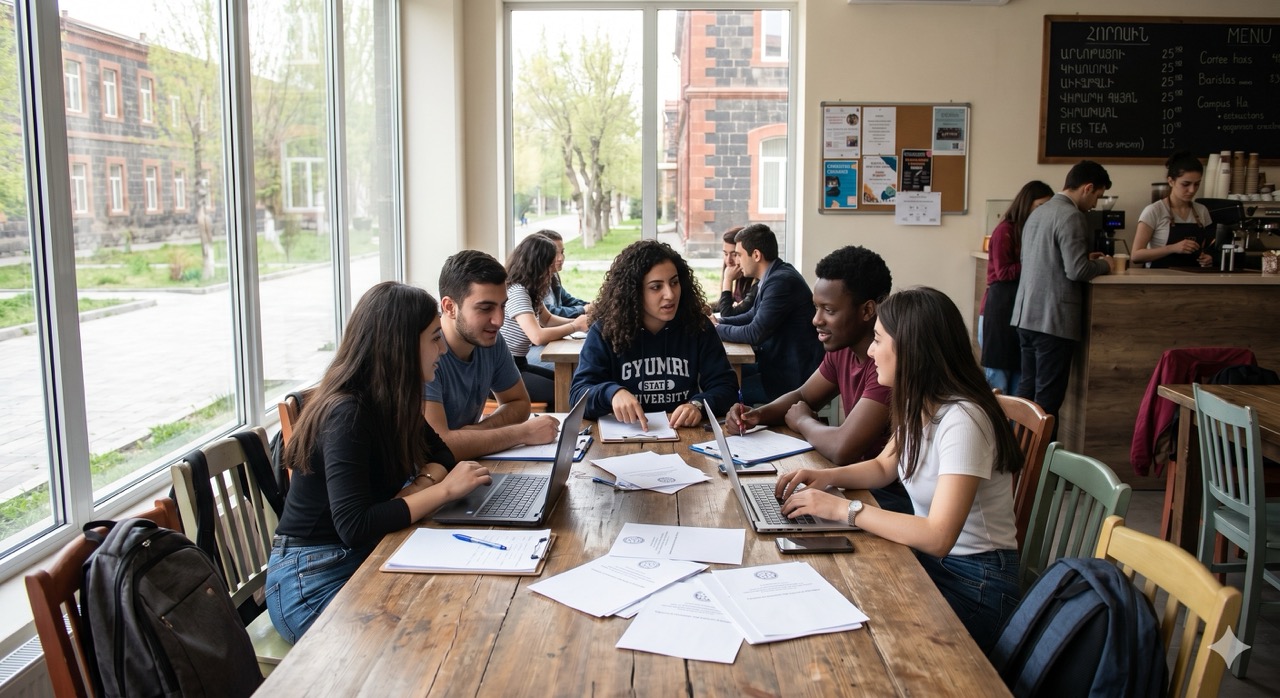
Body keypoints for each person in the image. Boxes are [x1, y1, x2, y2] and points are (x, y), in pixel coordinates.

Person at [777, 287, 1023, 653]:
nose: (871, 351)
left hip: (976, 581)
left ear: (912, 350)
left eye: (878, 340)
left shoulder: (964, 420)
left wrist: (844, 509)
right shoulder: (920, 402)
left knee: (861, 636)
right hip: (931, 560)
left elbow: (940, 535)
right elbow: (882, 466)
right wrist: (826, 478)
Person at [266, 282, 494, 643]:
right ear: (401, 346)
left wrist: (419, 487)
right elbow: (355, 525)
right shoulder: (348, 412)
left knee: (458, 617)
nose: (442, 350)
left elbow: (442, 454)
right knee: (419, 641)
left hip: (361, 554)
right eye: (434, 338)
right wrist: (444, 490)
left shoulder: (390, 398)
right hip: (311, 577)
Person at [726, 245, 911, 514]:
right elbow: (803, 396)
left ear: (868, 310)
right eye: (816, 308)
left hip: (889, 496)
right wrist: (757, 415)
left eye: (829, 310)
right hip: (856, 481)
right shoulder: (844, 349)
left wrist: (803, 420)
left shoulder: (888, 367)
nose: (816, 320)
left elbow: (842, 448)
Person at [570, 240, 737, 428]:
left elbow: (727, 388)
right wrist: (612, 393)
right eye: (656, 287)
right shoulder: (606, 330)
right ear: (634, 292)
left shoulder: (698, 326)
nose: (670, 294)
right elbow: (578, 396)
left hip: (683, 435)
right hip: (624, 439)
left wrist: (697, 405)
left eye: (674, 282)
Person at [423, 250, 560, 460]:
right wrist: (522, 432)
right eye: (485, 308)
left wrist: (475, 434)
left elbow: (519, 403)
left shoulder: (490, 340)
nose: (499, 320)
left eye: (503, 306)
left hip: (465, 468)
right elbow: (442, 446)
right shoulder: (425, 353)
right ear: (450, 307)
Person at [1011, 160, 1112, 425]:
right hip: (1052, 320)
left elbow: (1042, 258)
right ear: (1087, 188)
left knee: (1026, 395)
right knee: (1047, 402)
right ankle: (1040, 464)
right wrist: (1105, 265)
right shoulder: (1072, 215)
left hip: (1026, 315)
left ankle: (1014, 457)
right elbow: (1077, 271)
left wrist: (1083, 257)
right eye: (1097, 197)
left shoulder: (1039, 212)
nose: (1094, 205)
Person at [715, 223, 824, 405]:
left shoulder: (780, 281)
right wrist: (721, 321)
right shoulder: (774, 275)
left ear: (756, 255)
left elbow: (754, 333)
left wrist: (717, 329)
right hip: (776, 365)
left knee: (725, 392)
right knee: (721, 374)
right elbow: (751, 315)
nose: (737, 261)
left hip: (791, 379)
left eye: (739, 255)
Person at [979, 181, 1054, 396]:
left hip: (1020, 311)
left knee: (1021, 384)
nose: (1043, 212)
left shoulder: (1030, 231)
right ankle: (995, 430)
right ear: (1026, 203)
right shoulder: (1005, 230)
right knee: (998, 381)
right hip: (999, 311)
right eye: (1040, 205)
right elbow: (1003, 272)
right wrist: (1037, 261)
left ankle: (1014, 430)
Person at [500, 235, 591, 404]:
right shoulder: (517, 292)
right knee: (565, 393)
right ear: (537, 265)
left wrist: (580, 323)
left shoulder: (529, 289)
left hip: (519, 364)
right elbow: (537, 336)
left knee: (570, 385)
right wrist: (574, 326)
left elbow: (547, 320)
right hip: (505, 371)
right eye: (549, 266)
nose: (552, 272)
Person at [1132, 152, 1214, 269]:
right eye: (1186, 184)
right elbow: (1136, 256)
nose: (1192, 190)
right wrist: (1173, 248)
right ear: (1171, 181)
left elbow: (1211, 246)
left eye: (1197, 184)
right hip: (1160, 280)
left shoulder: (1202, 210)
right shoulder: (1154, 211)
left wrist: (1209, 258)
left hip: (1194, 279)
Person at [717, 226, 757, 318]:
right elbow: (724, 304)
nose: (728, 260)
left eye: (735, 254)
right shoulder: (738, 274)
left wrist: (727, 280)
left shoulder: (755, 280)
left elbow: (726, 314)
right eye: (725, 254)